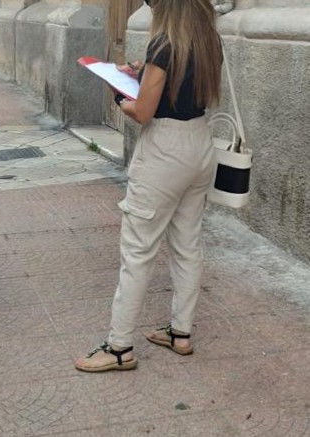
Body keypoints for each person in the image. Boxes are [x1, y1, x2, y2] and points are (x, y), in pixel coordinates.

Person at [75, 0, 222, 372]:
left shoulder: (164, 44)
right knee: (188, 244)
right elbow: (183, 86)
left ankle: (120, 346)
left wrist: (120, 91)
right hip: (200, 145)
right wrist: (144, 73)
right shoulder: (208, 38)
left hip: (165, 151)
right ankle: (180, 332)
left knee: (138, 249)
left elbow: (143, 112)